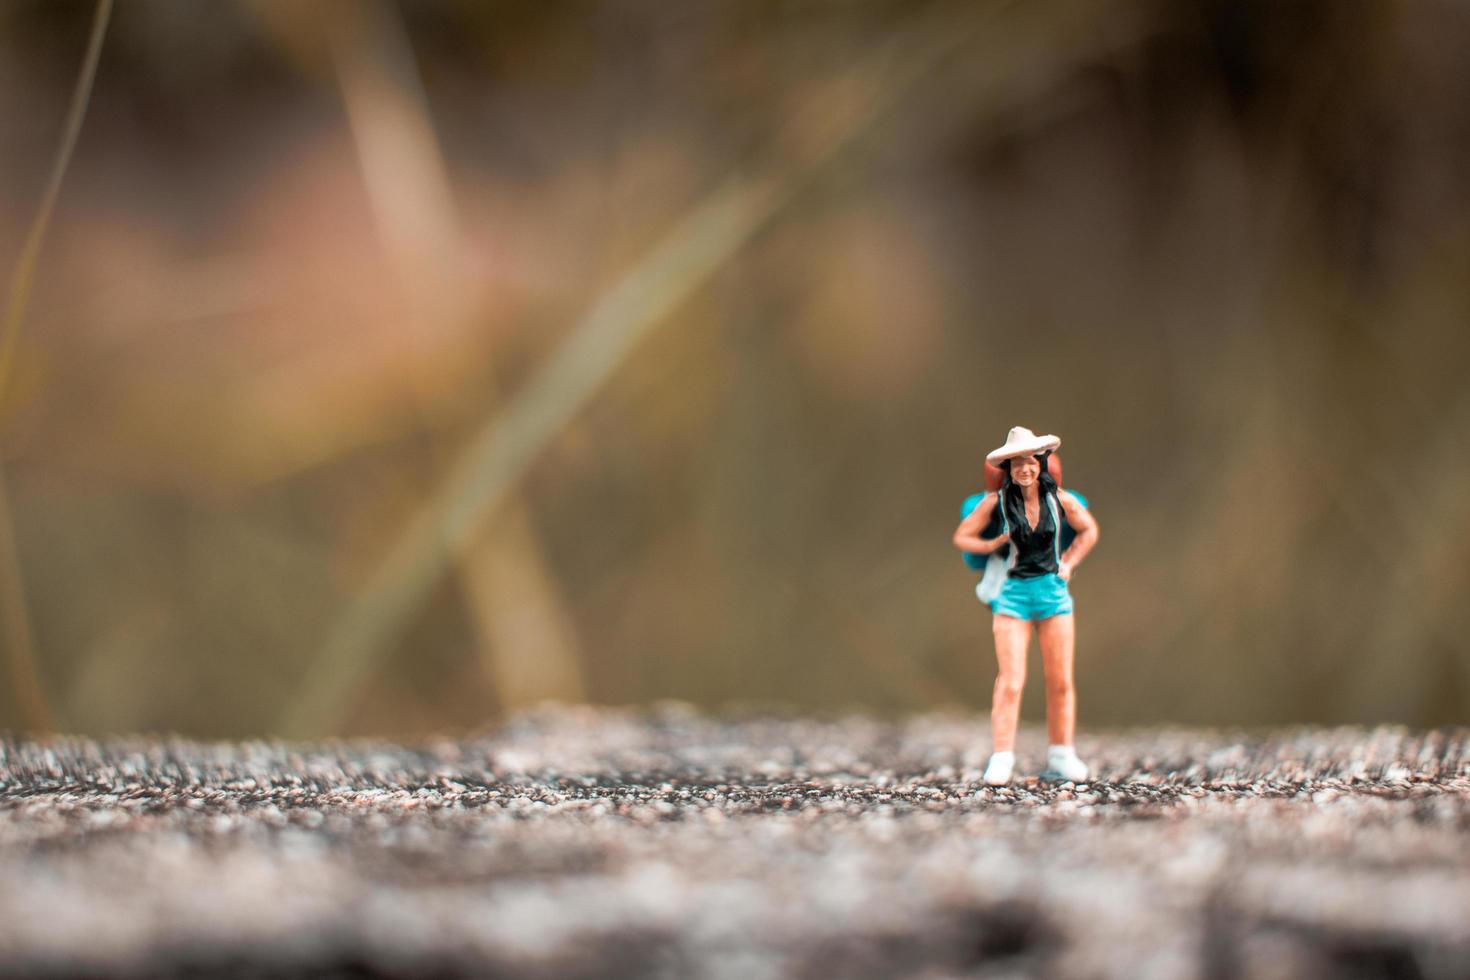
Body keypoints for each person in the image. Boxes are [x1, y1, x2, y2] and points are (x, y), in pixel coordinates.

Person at [952, 426, 1099, 786]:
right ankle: (1002, 756)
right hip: (1013, 594)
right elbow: (963, 536)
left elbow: (1089, 530)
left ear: (1042, 465)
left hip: (1052, 592)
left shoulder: (1060, 500)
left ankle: (1062, 752)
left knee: (1061, 679)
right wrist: (991, 546)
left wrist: (1070, 561)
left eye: (1031, 463)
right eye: (1017, 464)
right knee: (1011, 681)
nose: (1025, 470)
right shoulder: (996, 503)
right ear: (1008, 469)